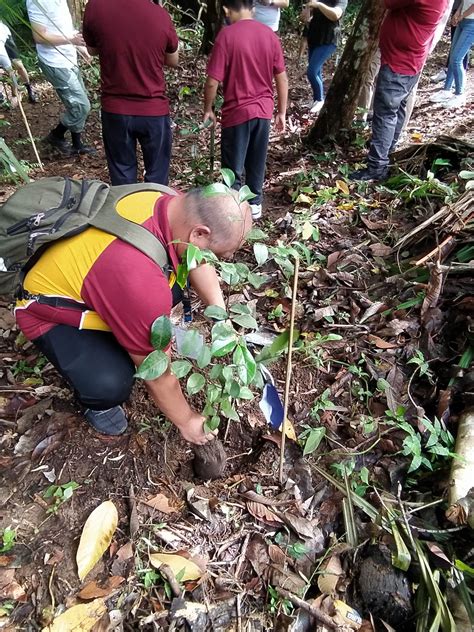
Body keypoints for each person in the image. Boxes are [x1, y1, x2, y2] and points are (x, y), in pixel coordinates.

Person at [14, 187, 252, 444]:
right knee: (111, 383)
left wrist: (221, 317)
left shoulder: (171, 203)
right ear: (199, 233)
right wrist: (187, 421)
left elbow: (197, 259)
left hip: (100, 276)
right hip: (48, 309)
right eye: (219, 254)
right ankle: (96, 402)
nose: (220, 260)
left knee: (159, 299)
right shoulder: (139, 280)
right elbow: (157, 371)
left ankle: (131, 325)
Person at [203, 0, 288, 221]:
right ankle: (255, 203)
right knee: (256, 160)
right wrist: (281, 111)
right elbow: (281, 78)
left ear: (226, 10)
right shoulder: (270, 35)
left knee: (233, 165)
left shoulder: (226, 36)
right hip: (263, 111)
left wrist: (208, 109)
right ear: (253, 8)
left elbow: (212, 81)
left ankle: (232, 209)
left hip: (236, 112)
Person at [350, 0, 450, 182]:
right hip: (411, 59)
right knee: (397, 110)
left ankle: (377, 167)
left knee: (385, 114)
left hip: (399, 62)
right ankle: (385, 154)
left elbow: (387, 2)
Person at [82, 0, 179, 186]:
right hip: (154, 110)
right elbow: (173, 59)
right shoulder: (160, 15)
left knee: (122, 177)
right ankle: (153, 213)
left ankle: (126, 214)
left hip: (116, 110)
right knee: (157, 177)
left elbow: (92, 49)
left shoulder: (96, 7)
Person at [26, 0, 94, 156]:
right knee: (81, 106)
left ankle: (76, 144)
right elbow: (39, 36)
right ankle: (56, 135)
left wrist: (80, 47)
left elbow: (63, 26)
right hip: (55, 62)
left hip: (68, 58)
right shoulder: (36, 2)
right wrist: (71, 40)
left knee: (78, 103)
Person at [305, 0, 347, 115]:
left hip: (329, 39)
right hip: (314, 37)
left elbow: (335, 15)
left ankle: (319, 99)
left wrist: (318, 5)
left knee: (311, 71)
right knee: (316, 71)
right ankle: (316, 100)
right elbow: (306, 18)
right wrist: (307, 10)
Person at [430, 0, 474, 108]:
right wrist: (458, 12)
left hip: (471, 24)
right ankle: (446, 90)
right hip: (462, 21)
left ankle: (460, 94)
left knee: (456, 59)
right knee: (452, 56)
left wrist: (462, 15)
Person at [431, 0, 469, 83]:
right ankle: (450, 73)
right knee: (455, 43)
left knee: (461, 44)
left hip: (466, 13)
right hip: (458, 9)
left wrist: (461, 14)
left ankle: (458, 75)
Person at [0, 20, 38, 103]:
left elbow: (11, 72)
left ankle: (29, 91)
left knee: (18, 65)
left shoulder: (1, 53)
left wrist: (14, 94)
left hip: (5, 36)